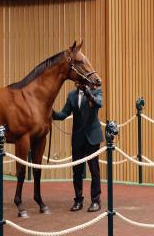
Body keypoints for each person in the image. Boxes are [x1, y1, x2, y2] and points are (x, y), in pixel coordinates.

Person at [53, 82, 103, 212]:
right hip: (78, 138)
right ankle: (78, 200)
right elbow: (63, 114)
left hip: (92, 137)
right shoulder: (71, 96)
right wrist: (50, 112)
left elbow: (98, 103)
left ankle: (96, 201)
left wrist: (88, 92)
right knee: (77, 172)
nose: (77, 82)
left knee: (94, 170)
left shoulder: (96, 91)